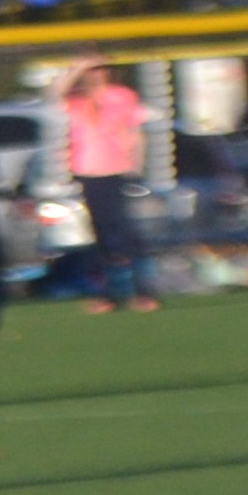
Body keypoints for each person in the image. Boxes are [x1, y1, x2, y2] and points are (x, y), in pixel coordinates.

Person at [63, 49, 156, 315]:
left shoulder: (122, 96)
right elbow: (54, 94)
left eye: (99, 68)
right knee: (101, 235)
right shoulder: (76, 99)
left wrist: (136, 166)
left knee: (122, 233)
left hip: (116, 170)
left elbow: (135, 132)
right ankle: (108, 294)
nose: (96, 74)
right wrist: (77, 68)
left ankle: (141, 290)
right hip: (87, 171)